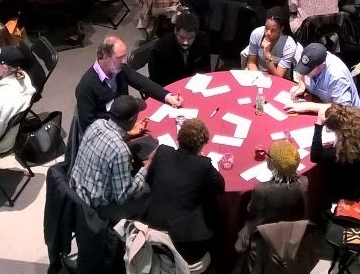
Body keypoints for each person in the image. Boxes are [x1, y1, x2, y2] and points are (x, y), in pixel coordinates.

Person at [143, 118, 225, 261]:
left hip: (154, 227)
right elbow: (220, 186)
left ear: (179, 137)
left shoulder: (162, 152)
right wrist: (200, 159)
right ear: (202, 144)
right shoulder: (203, 165)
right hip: (186, 240)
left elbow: (149, 178)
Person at [70, 97, 153, 222]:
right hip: (96, 209)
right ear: (131, 119)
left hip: (78, 192)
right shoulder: (120, 151)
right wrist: (148, 166)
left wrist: (128, 133)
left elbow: (106, 144)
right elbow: (122, 197)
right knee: (148, 190)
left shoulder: (97, 124)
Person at [75, 37, 179, 132]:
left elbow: (143, 82)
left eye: (124, 56)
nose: (124, 61)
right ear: (105, 57)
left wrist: (167, 96)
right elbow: (89, 127)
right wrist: (125, 133)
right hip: (108, 135)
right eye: (119, 57)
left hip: (126, 121)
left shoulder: (119, 69)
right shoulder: (86, 87)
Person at [235, 138, 307, 252]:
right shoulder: (304, 182)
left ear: (273, 163)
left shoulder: (262, 190)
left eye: (268, 154)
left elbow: (252, 213)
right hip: (293, 232)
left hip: (266, 237)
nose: (266, 156)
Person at [309, 102, 360, 210]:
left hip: (346, 185)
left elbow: (315, 156)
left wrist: (318, 126)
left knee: (314, 181)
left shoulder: (345, 152)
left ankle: (319, 216)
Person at [147, 11, 212, 88]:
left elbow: (206, 70)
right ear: (175, 31)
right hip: (169, 89)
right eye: (182, 37)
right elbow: (157, 81)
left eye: (191, 38)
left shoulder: (202, 40)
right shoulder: (160, 50)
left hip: (196, 86)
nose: (186, 42)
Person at [289, 43, 360, 108]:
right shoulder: (310, 56)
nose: (305, 73)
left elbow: (342, 109)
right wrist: (301, 84)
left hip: (344, 117)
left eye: (308, 70)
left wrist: (307, 106)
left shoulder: (337, 76)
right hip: (318, 102)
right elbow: (301, 71)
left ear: (322, 65)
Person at [246, 8, 299, 78]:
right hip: (256, 72)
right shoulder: (256, 34)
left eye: (273, 30)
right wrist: (257, 77)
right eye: (266, 28)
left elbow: (279, 75)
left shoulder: (289, 45)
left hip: (277, 78)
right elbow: (251, 62)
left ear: (281, 28)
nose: (268, 33)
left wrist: (268, 55)